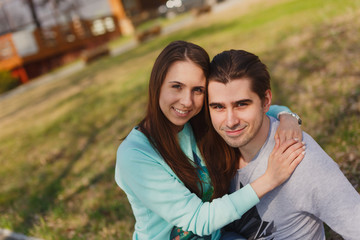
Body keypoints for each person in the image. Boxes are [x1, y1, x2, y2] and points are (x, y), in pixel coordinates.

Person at [115, 41, 305, 240]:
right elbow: (199, 219)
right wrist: (270, 179)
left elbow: (250, 114)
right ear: (157, 85)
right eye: (177, 86)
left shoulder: (197, 121)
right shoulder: (135, 155)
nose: (187, 101)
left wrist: (287, 116)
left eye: (197, 90)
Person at [206, 49, 360, 240]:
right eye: (218, 107)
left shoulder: (301, 159)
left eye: (241, 104)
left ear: (266, 101)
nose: (230, 121)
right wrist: (288, 114)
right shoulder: (212, 147)